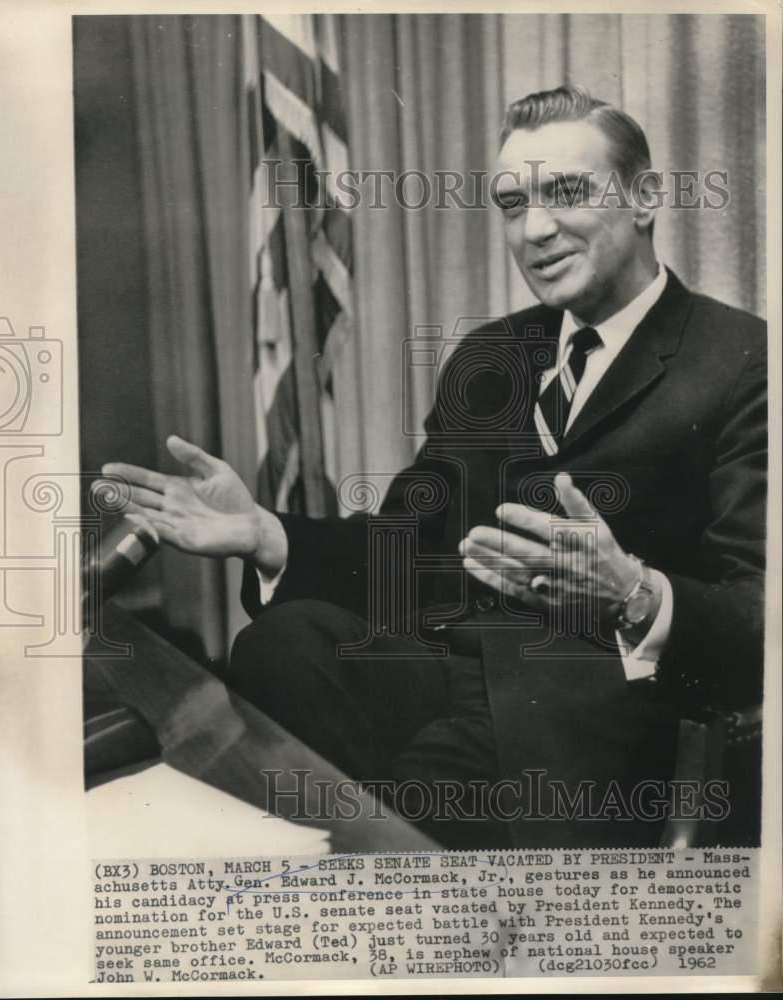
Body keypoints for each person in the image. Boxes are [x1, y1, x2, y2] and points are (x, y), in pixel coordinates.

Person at [101, 86, 766, 849]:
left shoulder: (744, 361)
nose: (536, 229)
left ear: (646, 198)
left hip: (592, 714)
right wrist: (264, 535)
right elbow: (406, 547)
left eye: (567, 193)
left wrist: (634, 593)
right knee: (281, 646)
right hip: (450, 670)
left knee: (386, 809)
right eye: (513, 205)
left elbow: (762, 613)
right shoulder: (492, 358)